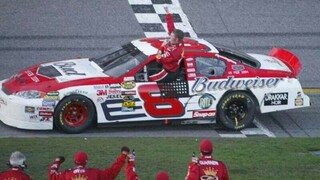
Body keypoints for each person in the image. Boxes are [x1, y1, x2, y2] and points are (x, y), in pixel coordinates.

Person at [48, 146, 130, 180]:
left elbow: (52, 175)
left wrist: (57, 162)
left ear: (75, 162)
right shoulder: (94, 173)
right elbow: (112, 173)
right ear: (86, 162)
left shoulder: (66, 174)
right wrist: (123, 156)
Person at [149, 6, 185, 82]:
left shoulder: (172, 52)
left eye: (171, 37)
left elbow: (158, 58)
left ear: (176, 39)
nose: (169, 38)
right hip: (171, 66)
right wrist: (168, 13)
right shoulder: (180, 41)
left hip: (168, 72)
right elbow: (171, 27)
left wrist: (162, 46)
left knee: (150, 80)